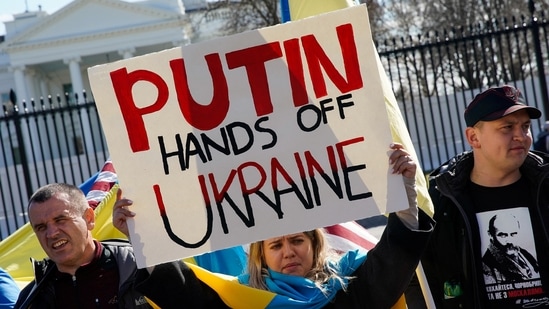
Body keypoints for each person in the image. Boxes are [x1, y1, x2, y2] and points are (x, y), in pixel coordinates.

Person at [113, 143, 435, 308]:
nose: (288, 252)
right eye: (276, 245)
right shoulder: (239, 299)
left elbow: (393, 262)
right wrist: (142, 237)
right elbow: (185, 293)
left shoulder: (350, 285)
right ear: (260, 255)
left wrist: (404, 191)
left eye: (296, 240)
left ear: (314, 243)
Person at [421, 85, 549, 308]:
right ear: (473, 137)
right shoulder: (443, 201)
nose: (521, 135)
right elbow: (421, 280)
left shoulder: (545, 186)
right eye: (507, 127)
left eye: (525, 126)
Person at [14, 183, 152, 309]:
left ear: (89, 218)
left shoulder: (137, 266)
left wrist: (140, 241)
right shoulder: (30, 300)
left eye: (60, 220)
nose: (51, 233)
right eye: (41, 227)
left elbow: (172, 293)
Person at [482, 213, 540, 284]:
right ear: (490, 234)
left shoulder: (524, 253)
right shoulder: (486, 264)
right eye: (503, 235)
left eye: (513, 234)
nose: (509, 241)